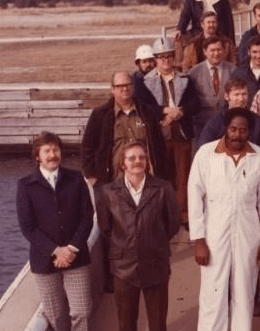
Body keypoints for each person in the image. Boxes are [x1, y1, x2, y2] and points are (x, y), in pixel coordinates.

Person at [187, 108, 260, 331]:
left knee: (244, 292)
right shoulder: (206, 154)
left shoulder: (258, 156)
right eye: (234, 129)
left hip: (247, 231)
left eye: (243, 130)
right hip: (214, 232)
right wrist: (198, 239)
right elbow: (194, 195)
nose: (238, 135)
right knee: (213, 294)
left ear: (250, 132)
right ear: (225, 128)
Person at [96, 141, 180, 331]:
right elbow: (105, 228)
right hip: (123, 266)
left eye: (141, 157)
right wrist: (126, 247)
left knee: (157, 322)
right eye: (131, 158)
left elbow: (173, 224)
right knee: (126, 322)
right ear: (122, 163)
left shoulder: (162, 188)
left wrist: (152, 243)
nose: (137, 162)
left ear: (147, 161)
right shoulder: (108, 192)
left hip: (155, 263)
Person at [17, 132, 97, 331]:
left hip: (76, 256)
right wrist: (55, 251)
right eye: (47, 151)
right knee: (57, 316)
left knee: (81, 311)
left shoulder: (75, 179)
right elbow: (28, 227)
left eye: (56, 150)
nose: (53, 155)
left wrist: (71, 249)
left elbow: (88, 216)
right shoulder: (26, 185)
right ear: (37, 156)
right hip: (44, 261)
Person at [138, 37, 200, 226]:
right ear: (155, 60)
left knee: (183, 174)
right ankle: (162, 213)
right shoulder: (145, 82)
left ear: (174, 58)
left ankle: (182, 212)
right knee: (162, 174)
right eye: (161, 57)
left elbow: (195, 103)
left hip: (180, 133)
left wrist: (179, 113)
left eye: (169, 57)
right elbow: (143, 106)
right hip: (159, 134)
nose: (165, 61)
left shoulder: (184, 79)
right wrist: (164, 111)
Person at [82, 71, 167, 186]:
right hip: (113, 182)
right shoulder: (100, 115)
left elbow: (159, 145)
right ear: (112, 89)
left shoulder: (146, 112)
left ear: (133, 87)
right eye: (120, 86)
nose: (125, 89)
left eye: (128, 84)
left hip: (145, 180)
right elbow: (87, 147)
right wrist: (91, 176)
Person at [195, 78, 260, 158]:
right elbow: (203, 147)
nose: (241, 99)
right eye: (236, 94)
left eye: (244, 94)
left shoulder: (258, 122)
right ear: (226, 96)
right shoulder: (216, 121)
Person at [188, 35, 235, 140]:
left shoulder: (232, 70)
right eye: (212, 50)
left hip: (226, 124)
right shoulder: (194, 72)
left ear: (223, 51)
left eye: (219, 50)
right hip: (202, 125)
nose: (216, 53)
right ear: (205, 51)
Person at [231, 35, 260, 106]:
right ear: (249, 52)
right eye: (254, 52)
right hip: (247, 114)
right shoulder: (239, 73)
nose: (258, 56)